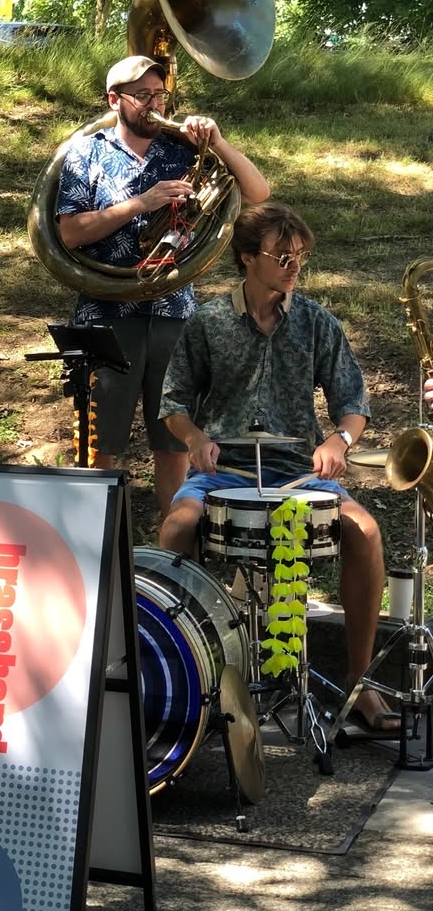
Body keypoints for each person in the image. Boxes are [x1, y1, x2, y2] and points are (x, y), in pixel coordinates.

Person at [157, 201, 399, 732]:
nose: (294, 267)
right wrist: (195, 438)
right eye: (283, 257)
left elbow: (354, 405)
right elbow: (173, 404)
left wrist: (338, 440)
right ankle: (183, 678)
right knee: (176, 529)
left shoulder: (316, 322)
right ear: (248, 258)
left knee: (365, 532)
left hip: (298, 473)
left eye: (301, 257)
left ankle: (360, 685)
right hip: (223, 471)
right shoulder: (208, 322)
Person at [56, 54, 270, 514]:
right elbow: (70, 232)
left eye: (160, 95)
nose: (155, 105)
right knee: (99, 440)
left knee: (173, 441)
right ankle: (94, 534)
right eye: (142, 96)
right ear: (114, 100)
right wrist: (141, 203)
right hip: (106, 312)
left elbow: (258, 192)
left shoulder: (182, 150)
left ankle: (171, 541)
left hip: (173, 311)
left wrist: (218, 142)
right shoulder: (85, 152)